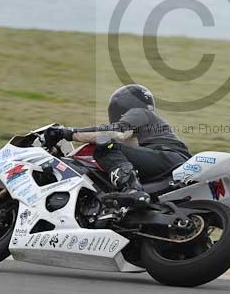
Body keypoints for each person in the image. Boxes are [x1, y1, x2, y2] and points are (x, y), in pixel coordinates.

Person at [43, 84, 191, 207]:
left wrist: (67, 133)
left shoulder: (139, 112)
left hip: (168, 157)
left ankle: (131, 189)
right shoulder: (143, 129)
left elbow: (114, 131)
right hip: (169, 161)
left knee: (104, 147)